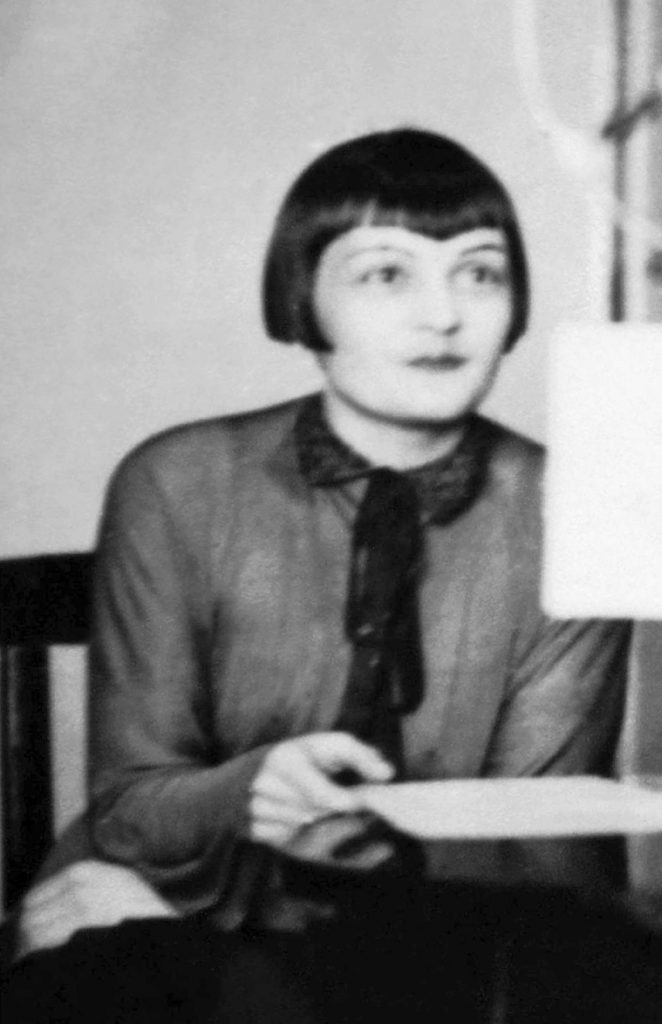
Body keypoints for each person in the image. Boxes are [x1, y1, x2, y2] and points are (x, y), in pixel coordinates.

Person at [2, 127, 638, 1021]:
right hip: (154, 905)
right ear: (302, 298)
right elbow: (129, 807)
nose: (443, 315)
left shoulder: (575, 501)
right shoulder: (175, 481)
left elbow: (538, 843)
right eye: (387, 275)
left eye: (479, 273)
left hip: (439, 947)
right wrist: (244, 792)